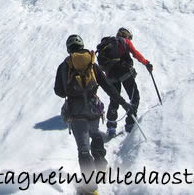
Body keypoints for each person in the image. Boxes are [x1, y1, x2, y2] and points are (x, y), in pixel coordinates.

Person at [54, 34, 134, 195]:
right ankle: (101, 168)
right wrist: (124, 103)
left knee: (83, 150)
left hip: (76, 112)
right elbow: (107, 86)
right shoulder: (92, 62)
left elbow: (59, 91)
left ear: (69, 48)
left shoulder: (65, 66)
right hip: (93, 108)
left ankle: (91, 188)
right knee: (96, 135)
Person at [99, 27, 153, 136]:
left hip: (111, 75)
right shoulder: (125, 41)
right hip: (125, 73)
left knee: (114, 99)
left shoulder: (108, 44)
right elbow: (135, 53)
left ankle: (111, 126)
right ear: (127, 35)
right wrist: (146, 63)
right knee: (134, 97)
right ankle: (130, 124)